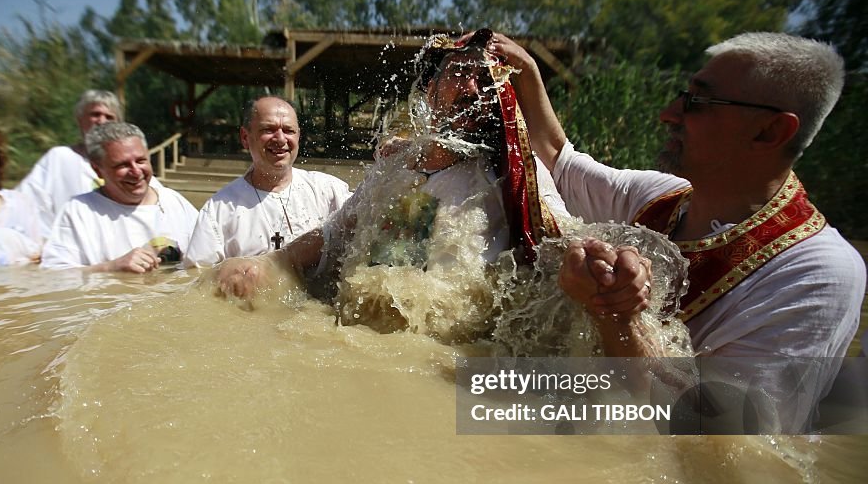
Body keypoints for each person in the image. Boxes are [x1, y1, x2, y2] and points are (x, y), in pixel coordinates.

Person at [489, 31, 865, 431]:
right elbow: (560, 162)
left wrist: (617, 316)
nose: (668, 114)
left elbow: (721, 446)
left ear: (769, 132)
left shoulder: (817, 272)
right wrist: (527, 74)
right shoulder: (663, 197)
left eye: (698, 102)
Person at [209, 31, 656, 345]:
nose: (474, 85)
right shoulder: (393, 166)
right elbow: (335, 233)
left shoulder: (513, 173)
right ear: (428, 92)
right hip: (359, 342)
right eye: (460, 72)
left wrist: (607, 268)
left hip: (449, 360)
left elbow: (559, 239)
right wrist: (270, 262)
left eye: (487, 79)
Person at [183, 96, 352, 266]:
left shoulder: (328, 191)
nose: (280, 139)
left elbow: (370, 218)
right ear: (244, 137)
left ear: (298, 136)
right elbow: (197, 278)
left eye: (288, 130)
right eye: (268, 129)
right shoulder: (219, 210)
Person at [41, 122, 198, 273]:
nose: (136, 172)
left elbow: (210, 257)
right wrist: (111, 268)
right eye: (123, 165)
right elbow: (53, 275)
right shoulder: (77, 211)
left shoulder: (174, 202)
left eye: (141, 161)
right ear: (97, 170)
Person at [16, 90, 163, 237]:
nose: (101, 121)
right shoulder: (60, 158)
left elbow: (159, 207)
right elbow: (25, 204)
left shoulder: (134, 168)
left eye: (109, 117)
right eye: (95, 114)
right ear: (80, 119)